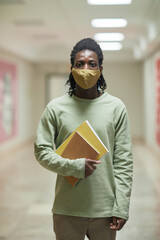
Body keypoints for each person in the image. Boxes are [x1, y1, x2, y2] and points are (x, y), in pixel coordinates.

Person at [34, 38, 133, 240]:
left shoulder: (116, 107)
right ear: (71, 68)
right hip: (67, 209)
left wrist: (121, 206)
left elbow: (123, 162)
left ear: (100, 69)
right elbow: (41, 151)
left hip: (105, 211)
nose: (86, 69)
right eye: (80, 64)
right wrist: (75, 166)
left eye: (92, 64)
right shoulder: (55, 108)